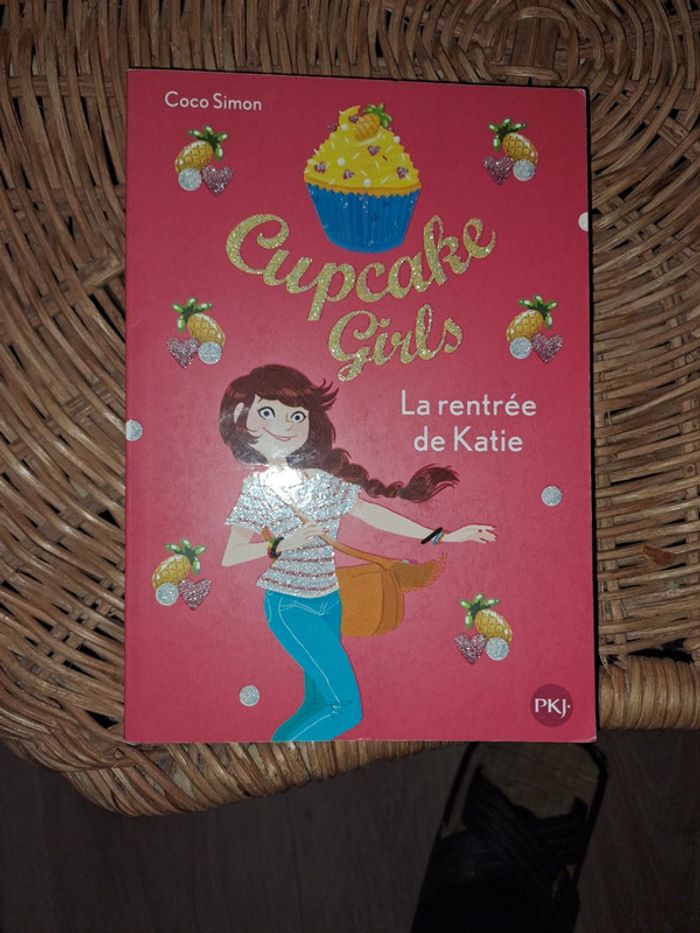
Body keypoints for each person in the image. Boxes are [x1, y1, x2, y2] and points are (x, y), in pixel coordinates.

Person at [219, 364, 496, 741]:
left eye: (297, 416)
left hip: (329, 601)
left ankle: (280, 751)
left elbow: (372, 513)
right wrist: (282, 545)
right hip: (289, 605)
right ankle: (273, 758)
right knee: (345, 709)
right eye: (268, 412)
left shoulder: (323, 481)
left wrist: (443, 536)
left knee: (317, 705)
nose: (285, 425)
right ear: (240, 417)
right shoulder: (258, 489)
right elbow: (232, 554)